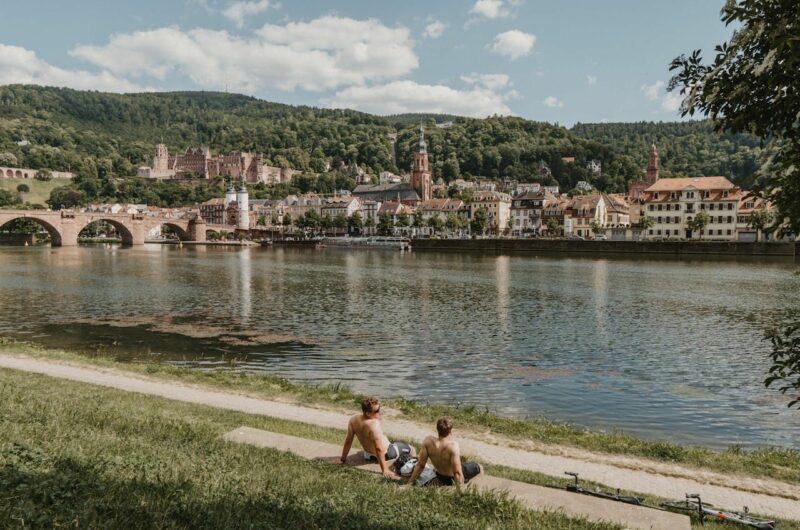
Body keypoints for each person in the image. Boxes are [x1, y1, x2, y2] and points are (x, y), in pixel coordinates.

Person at [339, 396, 415, 479]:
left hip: (368, 454)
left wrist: (343, 459)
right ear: (368, 413)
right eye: (376, 411)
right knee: (412, 448)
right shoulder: (374, 424)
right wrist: (385, 469)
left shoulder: (353, 419)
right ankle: (413, 470)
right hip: (387, 454)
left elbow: (348, 441)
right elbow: (378, 448)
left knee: (393, 442)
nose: (379, 412)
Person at [408, 416, 482, 487]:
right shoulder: (453, 446)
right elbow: (457, 472)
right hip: (452, 479)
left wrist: (409, 484)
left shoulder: (428, 441)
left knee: (461, 464)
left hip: (440, 476)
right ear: (450, 431)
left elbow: (420, 465)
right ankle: (480, 482)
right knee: (479, 466)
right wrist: (460, 492)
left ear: (437, 429)